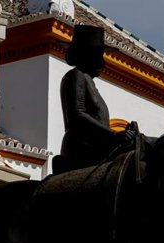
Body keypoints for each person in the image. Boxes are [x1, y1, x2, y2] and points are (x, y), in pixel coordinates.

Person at [53, 25, 135, 174]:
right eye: (99, 55)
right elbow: (78, 115)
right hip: (82, 147)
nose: (102, 63)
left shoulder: (88, 81)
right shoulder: (76, 75)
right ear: (87, 55)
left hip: (96, 145)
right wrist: (114, 135)